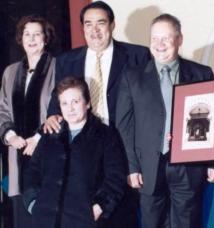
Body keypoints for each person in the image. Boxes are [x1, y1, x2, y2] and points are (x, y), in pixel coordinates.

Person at [43, 1, 151, 227]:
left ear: (112, 25)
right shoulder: (66, 61)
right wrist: (52, 115)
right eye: (88, 24)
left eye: (101, 23)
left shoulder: (137, 56)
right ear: (82, 28)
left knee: (122, 216)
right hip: (84, 154)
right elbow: (58, 99)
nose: (95, 30)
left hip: (124, 150)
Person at [116, 14, 214, 228]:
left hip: (189, 166)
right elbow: (124, 126)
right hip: (148, 168)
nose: (159, 44)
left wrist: (213, 160)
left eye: (166, 38)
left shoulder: (202, 73)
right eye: (154, 38)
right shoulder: (131, 76)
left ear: (179, 39)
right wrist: (131, 167)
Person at [22, 77, 127, 228]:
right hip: (45, 220)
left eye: (75, 102)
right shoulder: (49, 134)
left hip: (85, 221)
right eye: (64, 103)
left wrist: (99, 207)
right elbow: (32, 172)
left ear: (88, 103)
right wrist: (33, 204)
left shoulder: (105, 135)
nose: (70, 108)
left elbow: (115, 178)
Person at [0, 14, 56, 228]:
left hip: (48, 150)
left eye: (37, 34)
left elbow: (61, 110)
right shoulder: (10, 72)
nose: (31, 39)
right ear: (20, 39)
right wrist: (10, 136)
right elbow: (2, 109)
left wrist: (38, 137)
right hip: (17, 153)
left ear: (45, 38)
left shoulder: (58, 67)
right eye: (27, 34)